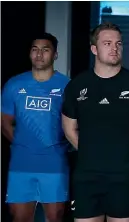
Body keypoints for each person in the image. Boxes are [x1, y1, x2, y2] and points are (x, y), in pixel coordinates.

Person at [61, 22, 129, 222]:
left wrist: (128, 156)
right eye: (107, 43)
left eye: (119, 43)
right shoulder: (77, 85)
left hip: (123, 178)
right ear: (94, 49)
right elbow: (69, 128)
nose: (114, 48)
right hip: (86, 178)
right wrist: (91, 153)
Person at [1, 33, 70, 222]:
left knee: (55, 217)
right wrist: (22, 144)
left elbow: (76, 124)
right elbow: (4, 121)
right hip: (21, 164)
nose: (39, 54)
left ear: (55, 55)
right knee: (19, 217)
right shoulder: (14, 84)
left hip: (54, 164)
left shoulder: (67, 86)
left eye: (45, 50)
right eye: (35, 49)